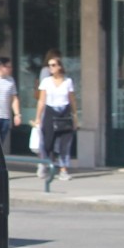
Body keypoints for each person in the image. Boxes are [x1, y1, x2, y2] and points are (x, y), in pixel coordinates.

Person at [35, 50, 78, 181]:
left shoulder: (68, 82)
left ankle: (63, 170)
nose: (51, 68)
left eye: (53, 65)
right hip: (50, 112)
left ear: (60, 66)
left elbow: (72, 100)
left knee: (65, 143)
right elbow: (41, 101)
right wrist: (38, 117)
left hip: (64, 112)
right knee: (48, 142)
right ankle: (45, 165)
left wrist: (75, 117)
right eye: (49, 65)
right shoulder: (46, 82)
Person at [0, 57, 21, 144]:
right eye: (8, 67)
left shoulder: (11, 80)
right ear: (1, 67)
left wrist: (17, 114)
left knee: (0, 143)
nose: (11, 69)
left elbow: (14, 98)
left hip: (5, 118)